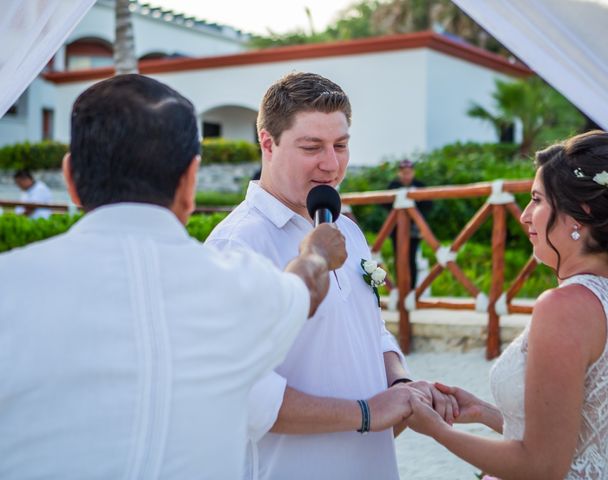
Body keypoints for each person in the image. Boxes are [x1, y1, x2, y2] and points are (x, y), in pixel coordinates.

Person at [0, 74, 349, 479]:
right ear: (190, 181)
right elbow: (303, 288)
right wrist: (316, 255)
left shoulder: (10, 283)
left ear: (71, 178)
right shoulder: (239, 283)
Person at [206, 72, 455, 480]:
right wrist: (365, 413)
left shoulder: (348, 231)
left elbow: (371, 329)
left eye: (341, 145)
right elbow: (242, 396)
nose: (332, 164)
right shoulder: (237, 247)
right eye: (312, 147)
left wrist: (401, 385)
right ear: (268, 143)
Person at [406, 130, 608, 479]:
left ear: (581, 212)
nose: (525, 215)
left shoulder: (564, 307)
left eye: (537, 199)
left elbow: (541, 467)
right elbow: (569, 442)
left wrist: (438, 431)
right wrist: (484, 412)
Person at [387, 159, 432, 288]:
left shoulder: (420, 185)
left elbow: (428, 205)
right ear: (399, 173)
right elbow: (385, 204)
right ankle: (400, 288)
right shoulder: (393, 186)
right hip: (396, 229)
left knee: (412, 258)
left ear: (413, 172)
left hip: (414, 229)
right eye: (404, 172)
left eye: (408, 172)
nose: (406, 175)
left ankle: (411, 289)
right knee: (399, 258)